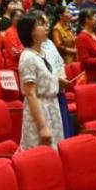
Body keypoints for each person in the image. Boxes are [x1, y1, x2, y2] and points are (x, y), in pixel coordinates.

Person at [18, 11, 63, 150]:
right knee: (40, 152)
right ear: (30, 32)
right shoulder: (27, 57)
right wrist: (42, 126)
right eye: (40, 25)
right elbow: (30, 93)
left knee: (56, 151)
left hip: (53, 106)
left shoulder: (46, 52)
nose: (46, 27)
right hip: (39, 110)